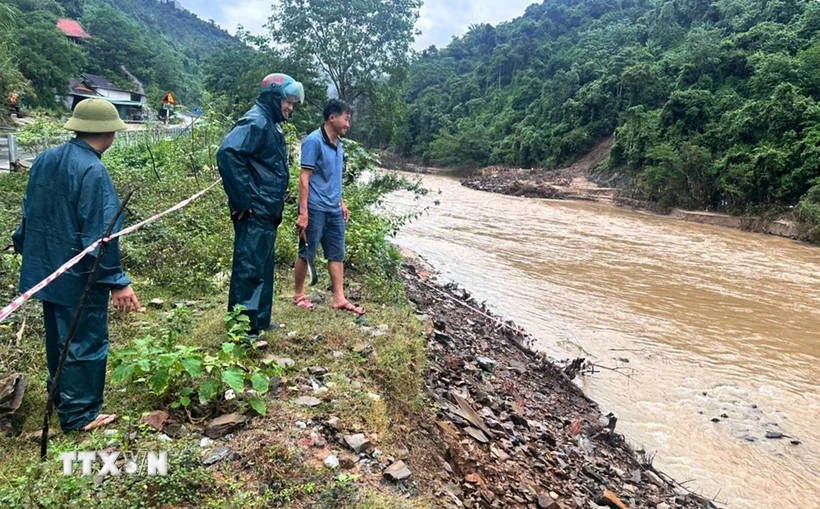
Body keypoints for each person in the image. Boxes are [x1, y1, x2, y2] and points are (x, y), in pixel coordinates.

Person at [12, 98, 140, 432]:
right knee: (85, 340)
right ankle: (81, 414)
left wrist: (25, 247)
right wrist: (117, 280)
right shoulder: (93, 170)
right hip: (78, 275)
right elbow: (101, 234)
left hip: (47, 268)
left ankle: (61, 397)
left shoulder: (45, 159)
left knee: (59, 337)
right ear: (109, 133)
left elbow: (29, 212)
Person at [217, 73, 305, 342]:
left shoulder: (271, 124)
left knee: (263, 267)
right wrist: (242, 199)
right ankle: (242, 330)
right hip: (254, 209)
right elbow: (228, 153)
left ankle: (260, 320)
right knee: (249, 269)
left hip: (267, 210)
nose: (290, 107)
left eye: (292, 103)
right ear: (273, 97)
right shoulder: (256, 121)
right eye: (287, 101)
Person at [293, 99, 365, 315]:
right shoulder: (313, 141)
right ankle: (298, 294)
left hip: (333, 209)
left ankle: (339, 298)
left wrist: (341, 202)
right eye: (346, 119)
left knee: (336, 253)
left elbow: (334, 178)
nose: (347, 125)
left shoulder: (339, 145)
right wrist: (303, 213)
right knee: (307, 251)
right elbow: (304, 178)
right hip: (314, 208)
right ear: (332, 117)